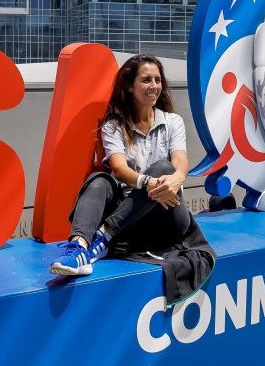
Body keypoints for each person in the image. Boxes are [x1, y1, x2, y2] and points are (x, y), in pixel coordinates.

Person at [50, 56, 213, 294]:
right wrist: (147, 183)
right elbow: (119, 169)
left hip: (168, 217)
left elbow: (180, 160)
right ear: (129, 86)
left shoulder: (172, 122)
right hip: (130, 220)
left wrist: (177, 178)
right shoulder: (113, 126)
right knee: (99, 180)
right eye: (146, 80)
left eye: (158, 80)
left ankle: (103, 236)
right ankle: (79, 248)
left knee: (163, 168)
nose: (154, 86)